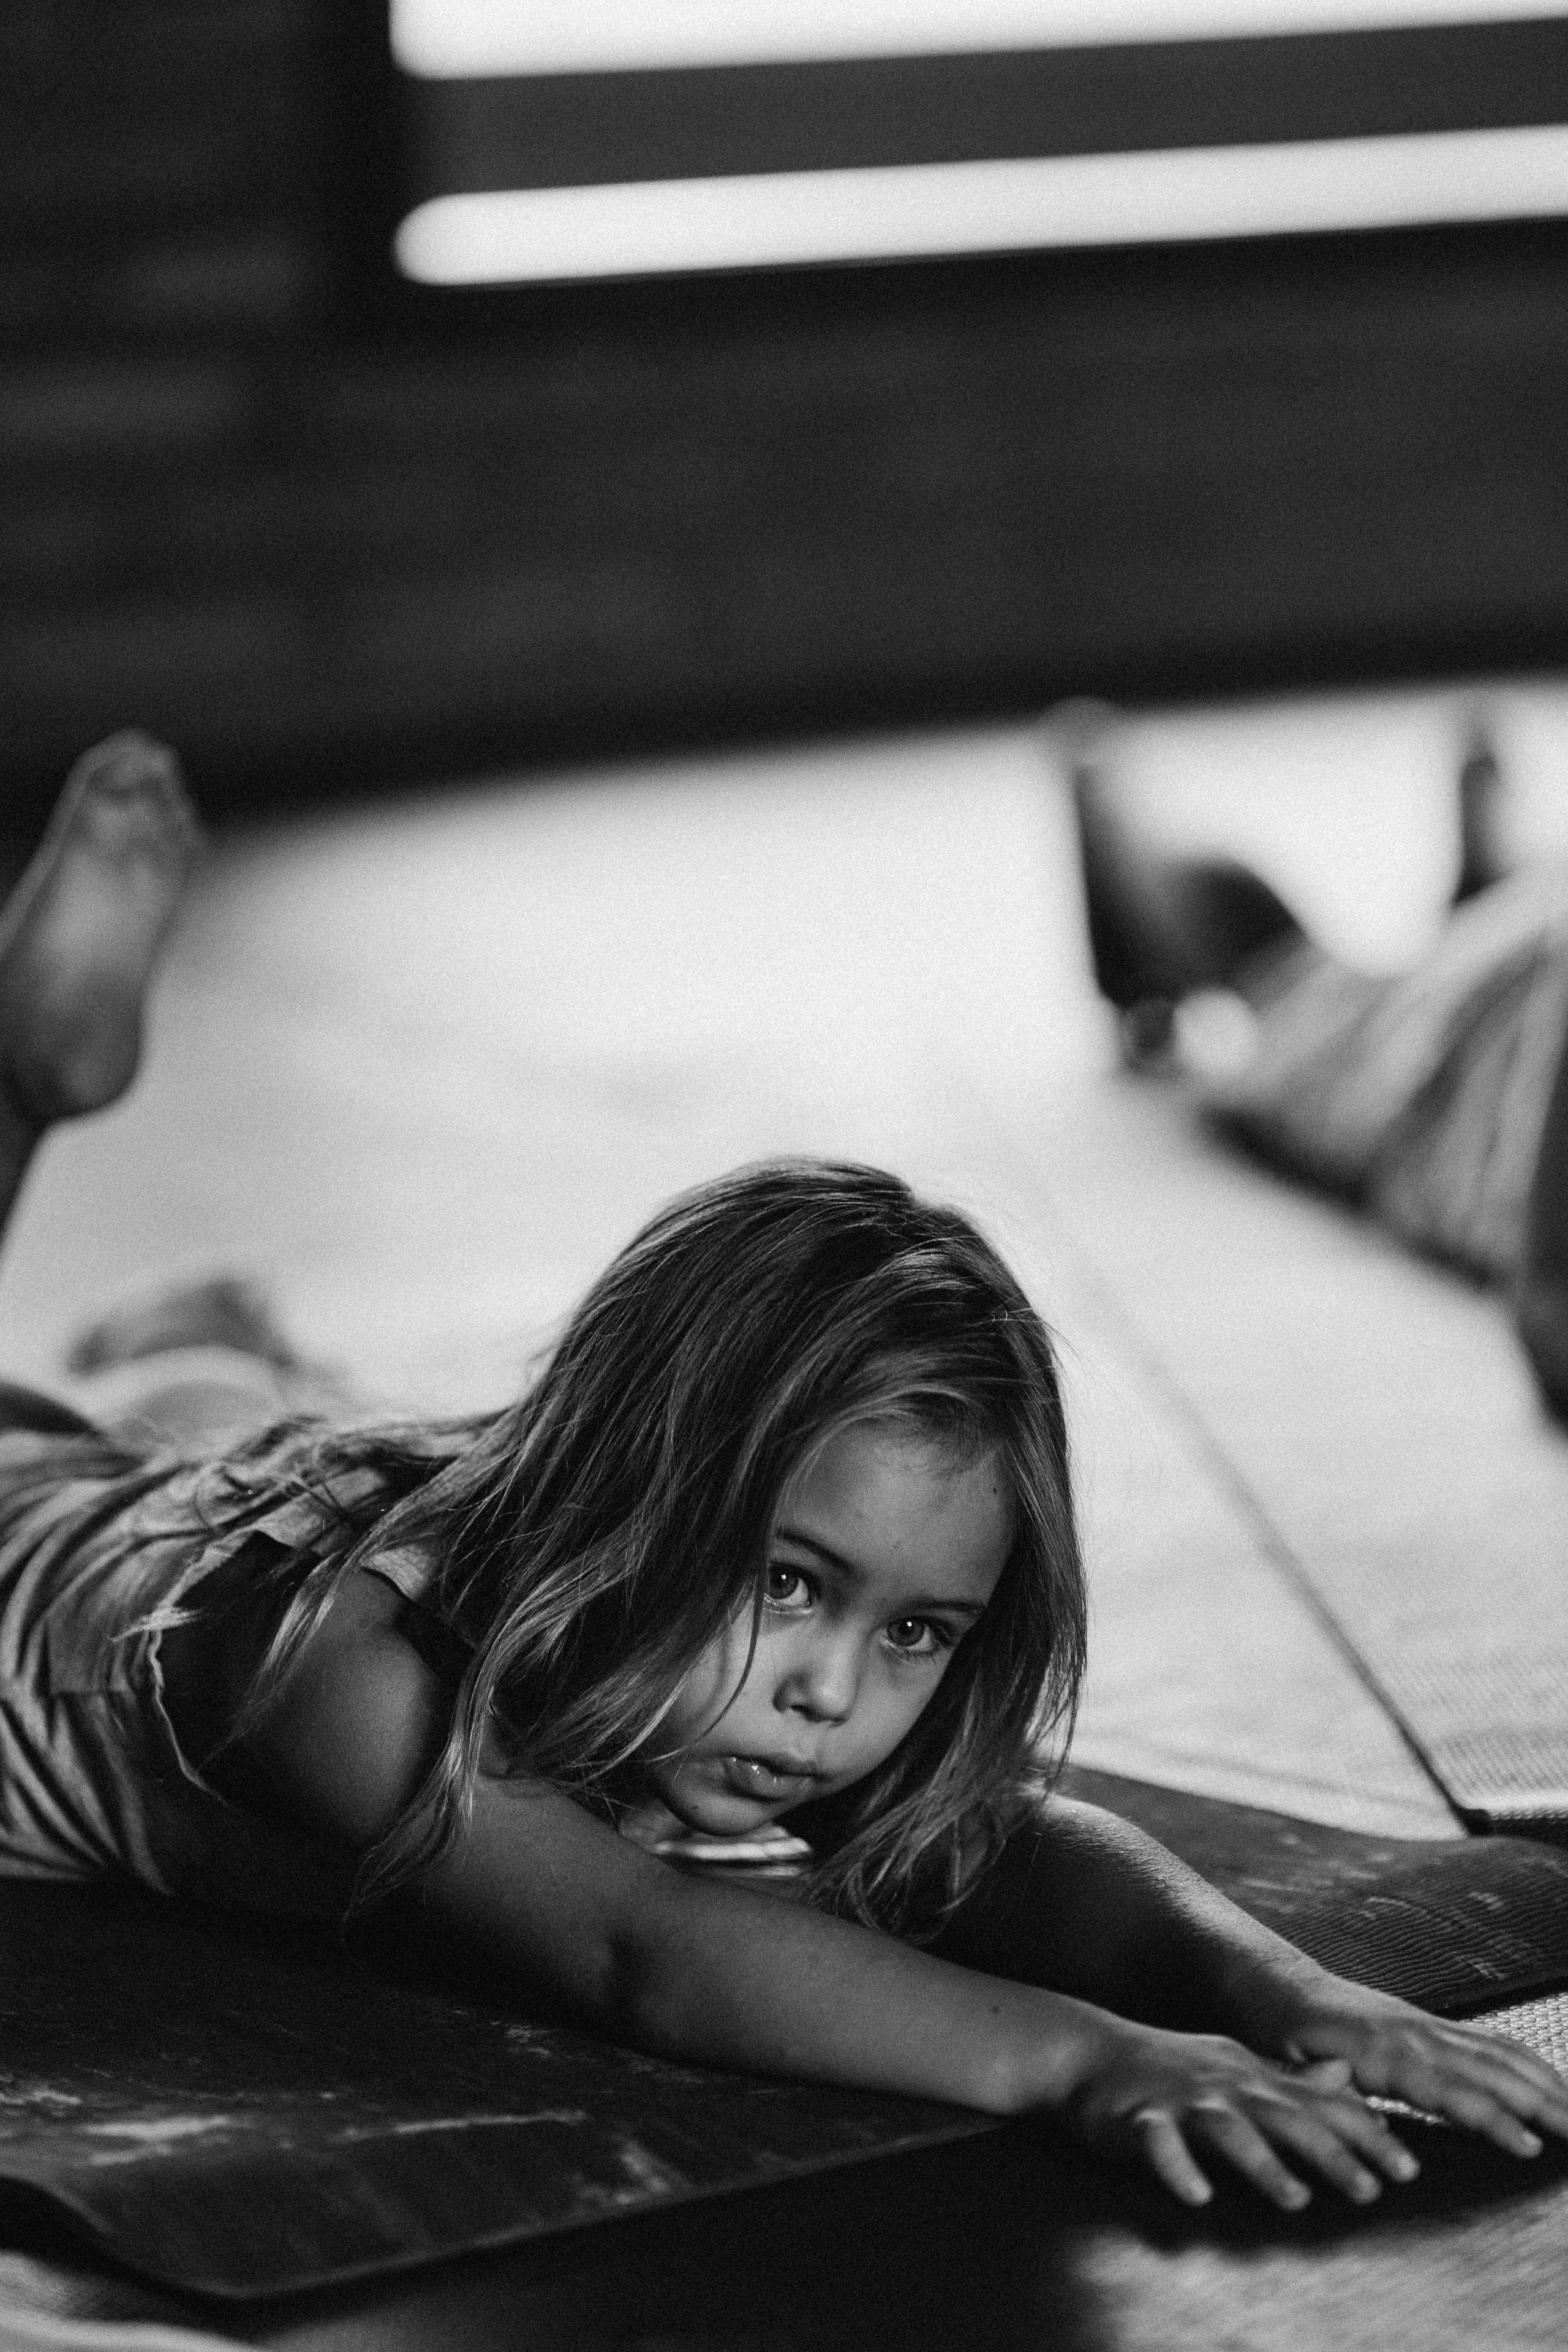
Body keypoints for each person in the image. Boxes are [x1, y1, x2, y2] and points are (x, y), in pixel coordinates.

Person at [3, 734, 1566, 2222]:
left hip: (183, 1493)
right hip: (88, 1562)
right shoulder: (338, 1681)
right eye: (788, 1585)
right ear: (629, 1509)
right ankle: (31, 1078)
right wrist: (1083, 2055)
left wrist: (1281, 1990)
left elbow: (1004, 1834)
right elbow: (643, 1949)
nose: (833, 1695)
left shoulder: (728, 1654)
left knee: (183, 1418)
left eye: (916, 1631)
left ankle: (171, 1334)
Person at [1066, 712, 1568, 1423]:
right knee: (1280, 976)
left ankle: (1492, 872)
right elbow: (1551, 1319)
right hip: (1436, 1060)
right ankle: (1106, 792)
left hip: (1506, 985)